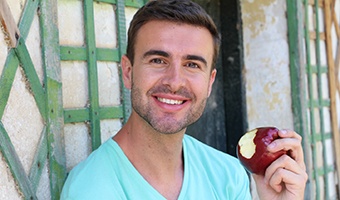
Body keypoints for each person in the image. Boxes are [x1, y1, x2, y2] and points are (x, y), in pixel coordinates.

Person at [61, 0, 308, 199]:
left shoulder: (227, 175)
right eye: (158, 60)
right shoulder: (92, 188)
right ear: (128, 72)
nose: (175, 81)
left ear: (210, 82)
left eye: (192, 64)